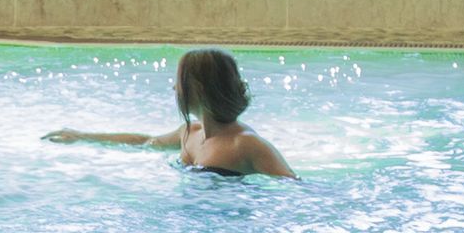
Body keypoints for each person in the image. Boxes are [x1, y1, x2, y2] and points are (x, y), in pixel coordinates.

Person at [44, 47, 294, 178]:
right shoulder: (189, 133)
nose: (174, 88)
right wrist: (82, 136)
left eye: (179, 82)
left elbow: (294, 188)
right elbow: (144, 142)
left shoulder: (246, 144)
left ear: (199, 88)